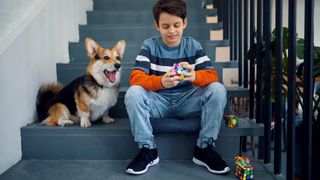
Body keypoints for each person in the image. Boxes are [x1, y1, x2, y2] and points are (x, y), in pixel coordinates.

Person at [124, 0, 230, 175]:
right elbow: (135, 78)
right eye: (165, 26)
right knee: (133, 93)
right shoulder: (149, 46)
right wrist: (160, 82)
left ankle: (204, 148)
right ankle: (148, 149)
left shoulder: (193, 46)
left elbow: (212, 76)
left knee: (218, 89)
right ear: (157, 26)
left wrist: (195, 76)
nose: (171, 31)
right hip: (158, 101)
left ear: (184, 23)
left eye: (176, 25)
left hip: (188, 101)